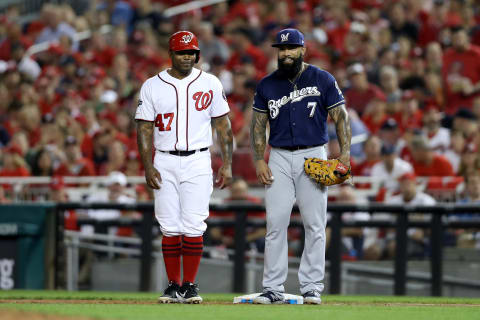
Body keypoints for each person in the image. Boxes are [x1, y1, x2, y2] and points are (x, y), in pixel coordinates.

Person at [250, 28, 351, 305]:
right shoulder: (267, 84)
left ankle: (311, 287)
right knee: (275, 222)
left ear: (302, 50)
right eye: (281, 49)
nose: (285, 53)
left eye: (291, 48)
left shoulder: (322, 78)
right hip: (279, 156)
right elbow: (258, 125)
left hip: (313, 155)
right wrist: (259, 158)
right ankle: (272, 287)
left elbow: (340, 117)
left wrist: (344, 154)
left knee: (315, 224)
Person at [135, 31, 233, 304]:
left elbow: (223, 126)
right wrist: (147, 164)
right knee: (169, 225)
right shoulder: (152, 85)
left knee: (193, 223)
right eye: (182, 52)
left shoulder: (210, 82)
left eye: (191, 52)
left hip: (199, 158)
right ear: (171, 54)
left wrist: (228, 163)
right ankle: (172, 285)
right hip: (164, 158)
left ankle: (189, 285)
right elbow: (143, 128)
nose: (187, 56)